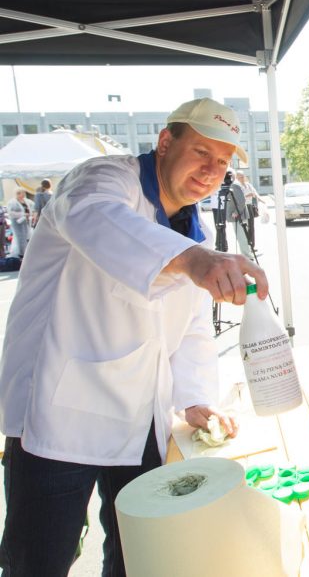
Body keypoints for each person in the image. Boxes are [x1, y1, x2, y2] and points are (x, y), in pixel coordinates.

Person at [0, 97, 269, 576]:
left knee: (142, 551)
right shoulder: (103, 179)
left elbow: (189, 326)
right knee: (40, 558)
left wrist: (194, 398)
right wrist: (194, 262)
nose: (211, 171)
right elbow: (95, 218)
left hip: (141, 413)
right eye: (202, 152)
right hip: (57, 414)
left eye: (223, 163)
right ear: (165, 143)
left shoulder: (192, 226)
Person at [235, 170, 259, 247]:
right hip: (243, 207)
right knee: (244, 227)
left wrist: (258, 197)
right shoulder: (237, 186)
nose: (242, 178)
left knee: (251, 226)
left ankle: (252, 245)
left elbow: (255, 193)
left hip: (250, 206)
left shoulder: (248, 185)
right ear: (237, 178)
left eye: (242, 177)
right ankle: (246, 245)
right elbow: (238, 198)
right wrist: (248, 195)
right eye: (240, 177)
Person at [6, 189, 32, 258]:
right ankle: (21, 254)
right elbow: (10, 213)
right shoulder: (12, 202)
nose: (23, 195)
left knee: (26, 236)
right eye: (22, 193)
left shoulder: (26, 201)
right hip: (17, 222)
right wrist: (22, 214)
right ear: (18, 194)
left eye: (24, 193)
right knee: (20, 237)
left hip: (26, 222)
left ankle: (26, 252)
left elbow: (32, 207)